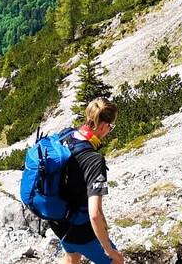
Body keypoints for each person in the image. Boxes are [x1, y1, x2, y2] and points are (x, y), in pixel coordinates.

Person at [46, 99, 125, 264]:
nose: (110, 130)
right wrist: (110, 251)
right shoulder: (94, 160)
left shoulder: (66, 135)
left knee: (71, 257)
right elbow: (95, 214)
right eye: (111, 126)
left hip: (56, 217)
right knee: (116, 262)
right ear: (104, 126)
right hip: (77, 225)